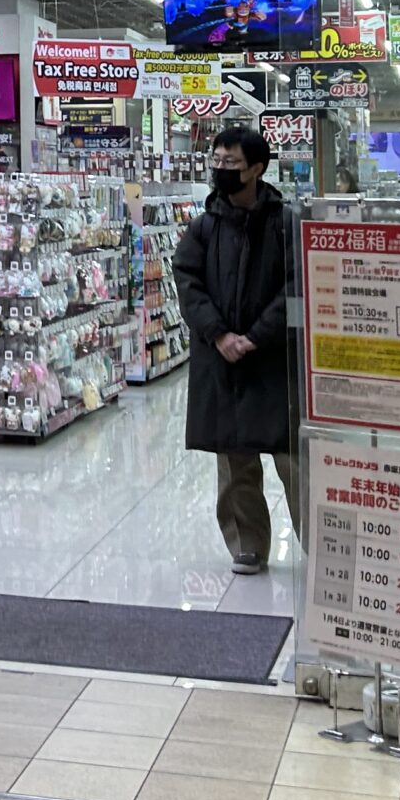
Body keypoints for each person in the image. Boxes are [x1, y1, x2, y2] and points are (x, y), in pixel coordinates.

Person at [175, 125, 297, 574]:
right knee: (234, 457)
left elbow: (298, 285)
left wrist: (257, 335)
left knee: (294, 460)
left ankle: (323, 548)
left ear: (258, 169)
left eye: (231, 163)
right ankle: (247, 544)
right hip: (221, 358)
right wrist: (219, 334)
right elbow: (187, 282)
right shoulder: (204, 226)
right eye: (217, 161)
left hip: (275, 358)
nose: (221, 170)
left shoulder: (286, 223)